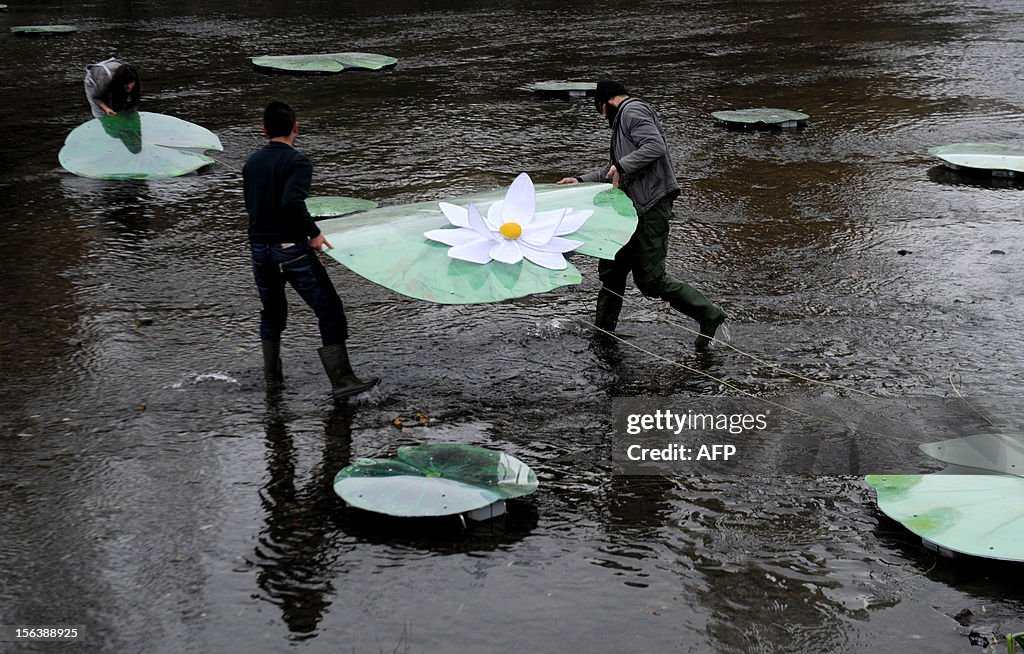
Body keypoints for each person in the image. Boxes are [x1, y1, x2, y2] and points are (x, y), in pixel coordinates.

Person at [558, 79, 727, 350]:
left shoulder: (632, 112)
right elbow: (614, 168)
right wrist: (581, 180)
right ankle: (602, 334)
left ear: (607, 102)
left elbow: (655, 147)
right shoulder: (624, 119)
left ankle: (709, 314)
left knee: (651, 281)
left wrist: (622, 166)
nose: (603, 118)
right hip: (629, 210)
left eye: (601, 111)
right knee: (611, 272)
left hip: (651, 208)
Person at [243, 101, 378, 399]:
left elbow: (254, 206)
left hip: (258, 250)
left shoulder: (251, 162)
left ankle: (273, 381)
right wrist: (315, 234)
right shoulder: (298, 162)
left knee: (272, 313)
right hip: (291, 250)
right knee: (329, 308)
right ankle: (342, 381)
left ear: (264, 129)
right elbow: (292, 203)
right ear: (295, 128)